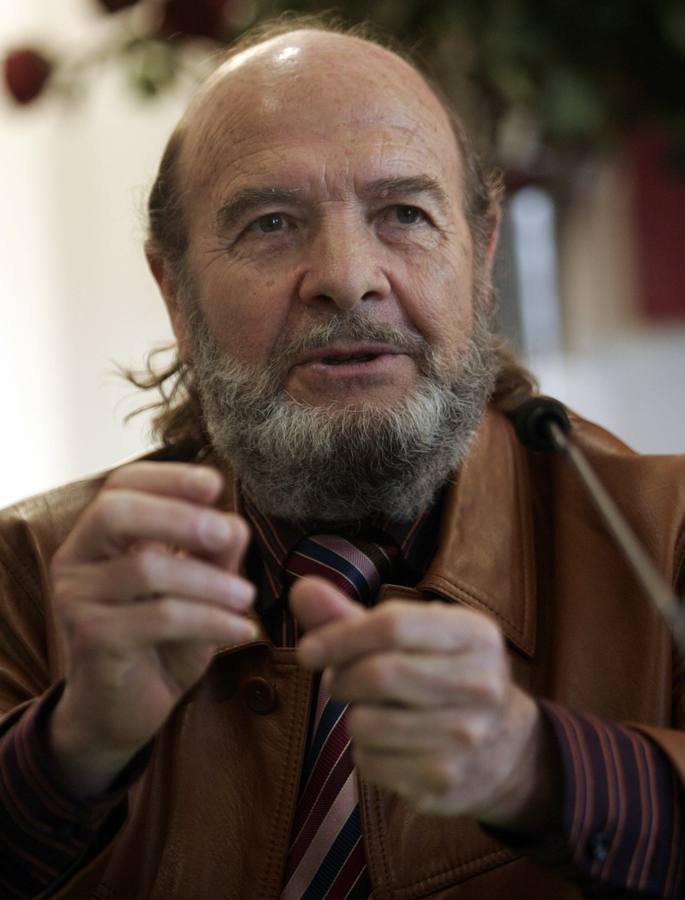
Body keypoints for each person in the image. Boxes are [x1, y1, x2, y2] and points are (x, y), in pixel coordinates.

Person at [1, 17, 684, 900]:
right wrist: (73, 746)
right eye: (271, 223)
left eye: (403, 213)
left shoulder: (665, 538)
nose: (347, 274)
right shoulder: (29, 575)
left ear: (478, 257)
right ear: (174, 291)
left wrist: (538, 771)